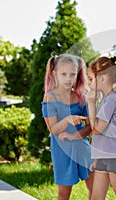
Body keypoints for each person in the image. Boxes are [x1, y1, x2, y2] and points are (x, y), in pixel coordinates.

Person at [41, 54, 93, 200]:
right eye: (64, 74)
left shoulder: (81, 96)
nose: (68, 79)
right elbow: (53, 129)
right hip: (62, 151)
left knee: (95, 190)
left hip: (83, 148)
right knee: (64, 195)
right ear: (54, 74)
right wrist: (68, 120)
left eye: (72, 74)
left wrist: (74, 136)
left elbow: (90, 127)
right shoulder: (50, 97)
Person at [87, 56, 116, 200]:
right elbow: (101, 135)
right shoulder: (106, 99)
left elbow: (97, 129)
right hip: (104, 157)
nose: (88, 83)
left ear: (103, 78)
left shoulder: (111, 100)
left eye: (91, 79)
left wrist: (91, 103)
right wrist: (97, 158)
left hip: (115, 158)